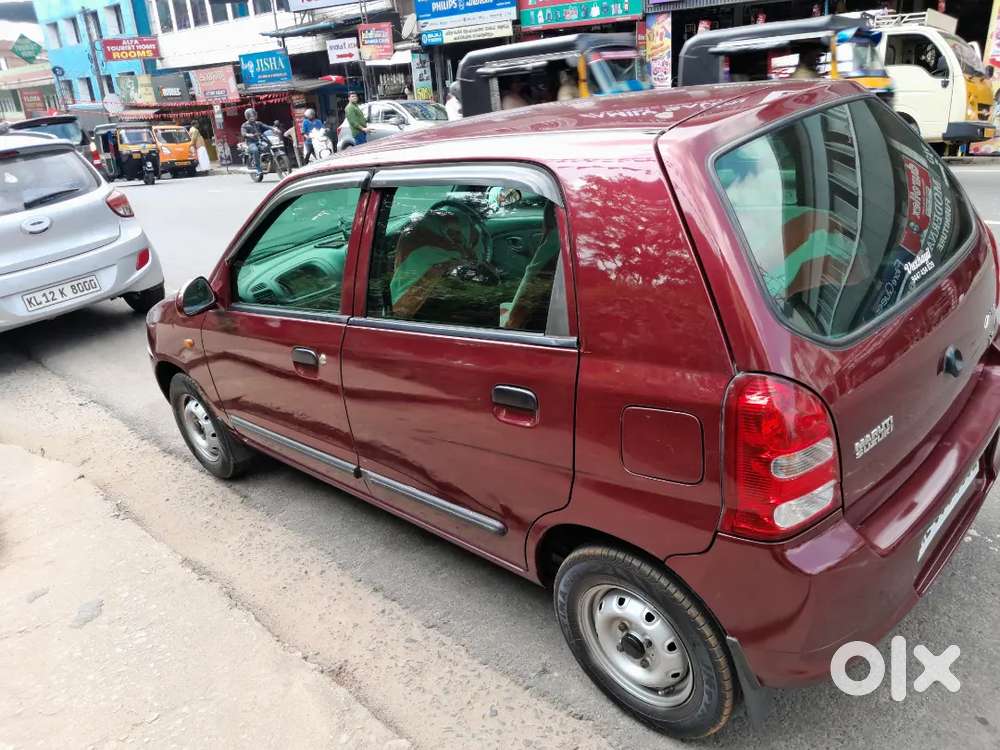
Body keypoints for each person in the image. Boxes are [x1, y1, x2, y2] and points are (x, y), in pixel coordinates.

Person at [240, 108, 272, 176]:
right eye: (250, 116)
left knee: (269, 145)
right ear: (247, 117)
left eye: (253, 116)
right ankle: (258, 169)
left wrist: (274, 128)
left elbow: (266, 126)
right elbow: (243, 133)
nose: (252, 117)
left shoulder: (258, 123)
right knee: (255, 150)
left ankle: (267, 160)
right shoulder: (244, 125)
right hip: (251, 143)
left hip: (260, 141)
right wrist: (248, 134)